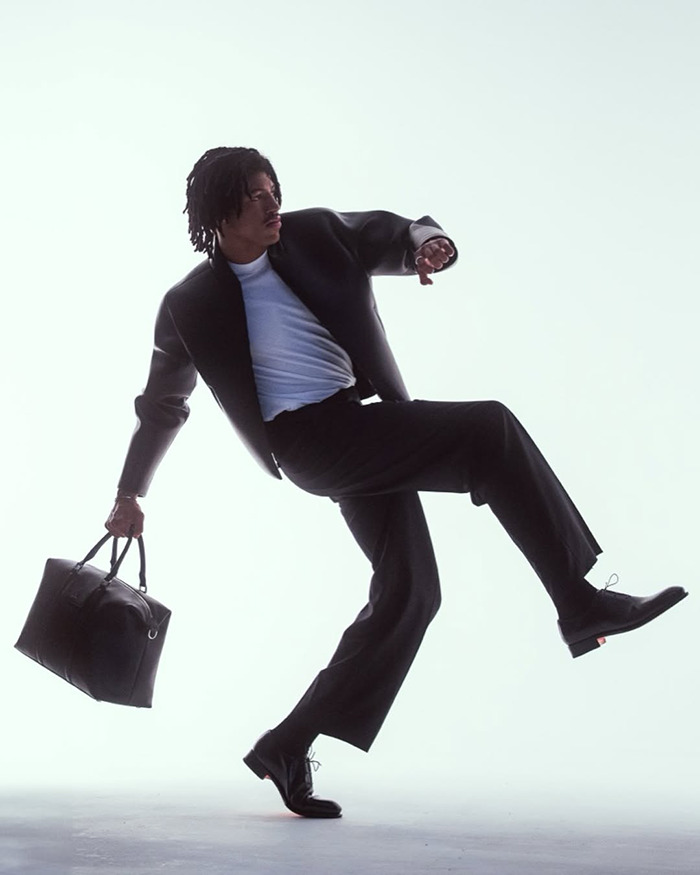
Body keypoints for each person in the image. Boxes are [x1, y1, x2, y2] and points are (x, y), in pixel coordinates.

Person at [106, 146, 687, 819]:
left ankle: (287, 744)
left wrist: (425, 244)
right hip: (310, 444)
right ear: (216, 212)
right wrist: (131, 490)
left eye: (274, 189)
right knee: (488, 432)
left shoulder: (316, 232)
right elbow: (162, 405)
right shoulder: (189, 305)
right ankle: (579, 602)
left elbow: (385, 232)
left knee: (411, 592)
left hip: (361, 423)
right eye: (255, 195)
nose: (273, 204)